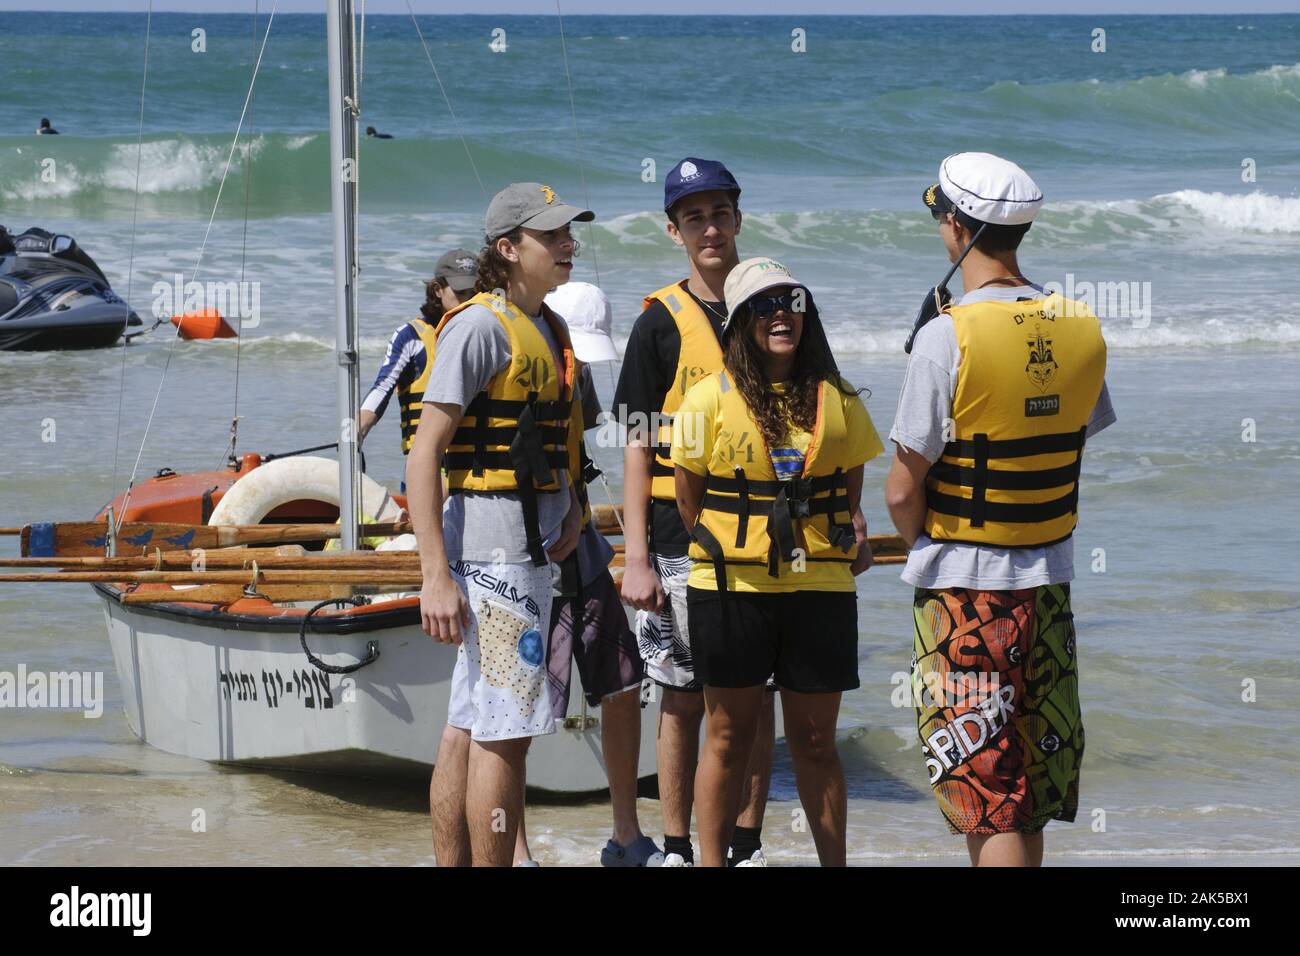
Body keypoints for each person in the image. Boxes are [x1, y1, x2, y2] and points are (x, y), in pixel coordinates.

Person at [884, 152, 1114, 867]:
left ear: (955, 226)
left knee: (986, 791)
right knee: (1032, 782)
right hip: (1049, 584)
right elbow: (1073, 431)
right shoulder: (1079, 323)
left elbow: (900, 487)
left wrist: (921, 538)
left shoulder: (945, 335)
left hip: (966, 593)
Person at [672, 258, 881, 867]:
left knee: (816, 743)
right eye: (763, 305)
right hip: (730, 585)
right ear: (741, 321)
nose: (780, 313)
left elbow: (849, 493)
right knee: (729, 737)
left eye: (791, 300)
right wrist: (739, 548)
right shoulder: (708, 399)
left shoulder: (838, 400)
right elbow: (689, 500)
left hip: (820, 588)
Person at [408, 182, 590, 867]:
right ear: (508, 249)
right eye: (553, 235)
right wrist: (434, 575)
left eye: (570, 232)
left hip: (525, 545)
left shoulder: (547, 326)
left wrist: (569, 499)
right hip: (495, 553)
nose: (568, 243)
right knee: (508, 732)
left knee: (468, 724)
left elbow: (548, 437)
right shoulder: (482, 327)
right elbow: (424, 453)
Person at [614, 157, 775, 867]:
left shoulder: (777, 306)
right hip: (679, 536)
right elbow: (635, 445)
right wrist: (639, 557)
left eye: (719, 213)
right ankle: (677, 845)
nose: (709, 228)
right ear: (674, 230)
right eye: (693, 217)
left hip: (765, 533)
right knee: (681, 697)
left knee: (756, 695)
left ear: (739, 219)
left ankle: (746, 842)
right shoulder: (658, 323)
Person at [521, 281, 662, 866]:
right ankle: (515, 848)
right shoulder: (517, 361)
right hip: (524, 562)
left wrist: (581, 513)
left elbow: (586, 447)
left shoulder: (578, 372)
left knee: (624, 681)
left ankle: (626, 836)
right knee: (519, 707)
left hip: (582, 554)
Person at [358, 249, 478, 461]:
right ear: (437, 289)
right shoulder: (411, 336)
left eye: (474, 293)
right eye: (460, 293)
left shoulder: (486, 335)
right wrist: (355, 431)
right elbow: (383, 388)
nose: (467, 301)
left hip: (475, 462)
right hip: (427, 460)